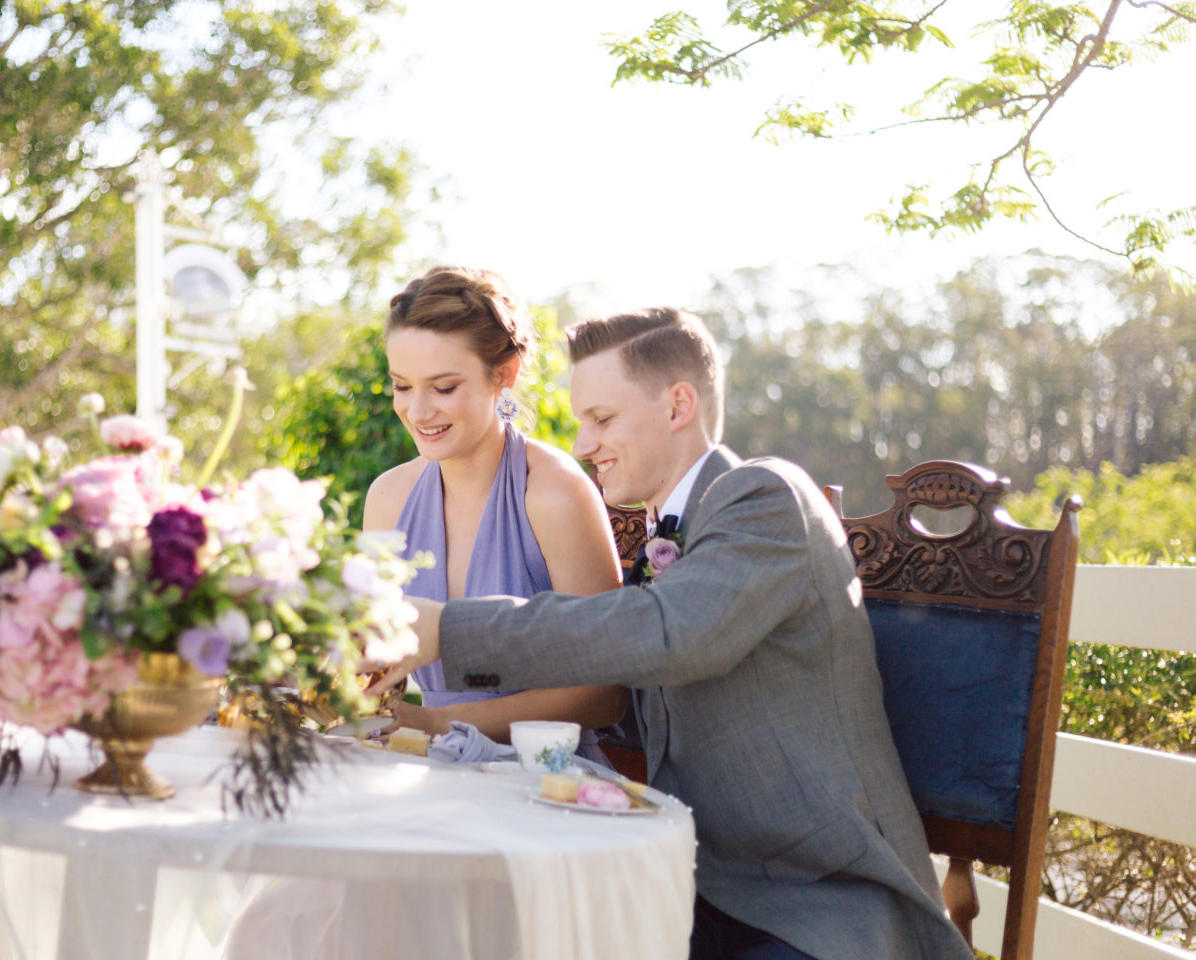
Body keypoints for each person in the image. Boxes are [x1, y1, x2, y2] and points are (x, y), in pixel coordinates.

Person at [367, 308, 972, 960]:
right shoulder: (664, 538)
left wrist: (446, 629)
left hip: (824, 906)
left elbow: (667, 633)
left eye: (602, 419)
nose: (581, 443)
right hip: (693, 890)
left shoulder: (764, 497)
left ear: (679, 404)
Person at [362, 265, 627, 751]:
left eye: (443, 388)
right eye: (402, 385)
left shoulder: (554, 493)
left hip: (541, 778)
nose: (417, 412)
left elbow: (605, 695)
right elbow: (373, 664)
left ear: (503, 375)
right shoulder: (387, 498)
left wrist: (440, 726)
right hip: (420, 762)